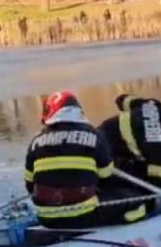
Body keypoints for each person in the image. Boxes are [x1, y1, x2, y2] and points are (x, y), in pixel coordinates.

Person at [24, 91, 113, 229]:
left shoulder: (36, 141)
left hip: (46, 218)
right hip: (84, 215)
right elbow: (106, 176)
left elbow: (30, 183)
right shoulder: (94, 135)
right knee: (128, 199)